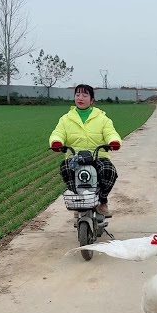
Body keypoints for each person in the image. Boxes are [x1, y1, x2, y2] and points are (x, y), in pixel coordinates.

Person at [49, 84, 122, 216]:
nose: (80, 98)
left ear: (92, 100)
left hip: (98, 156)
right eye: (77, 95)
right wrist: (56, 142)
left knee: (108, 171)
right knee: (66, 169)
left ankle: (102, 201)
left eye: (84, 95)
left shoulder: (102, 118)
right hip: (75, 157)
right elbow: (58, 133)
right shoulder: (66, 119)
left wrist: (113, 141)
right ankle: (79, 201)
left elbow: (110, 132)